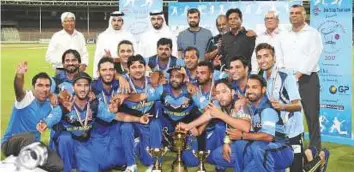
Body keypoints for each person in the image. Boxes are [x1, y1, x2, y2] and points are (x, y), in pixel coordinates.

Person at [39, 72, 149, 172]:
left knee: (97, 167)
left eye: (85, 85)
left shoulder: (94, 104)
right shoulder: (66, 105)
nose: (82, 89)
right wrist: (44, 124)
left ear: (90, 87)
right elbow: (53, 116)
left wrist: (139, 119)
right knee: (65, 138)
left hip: (82, 143)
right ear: (73, 87)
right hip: (64, 142)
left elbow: (115, 116)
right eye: (79, 85)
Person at [1, 61, 63, 171]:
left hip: (33, 146)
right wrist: (20, 75)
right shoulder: (26, 99)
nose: (44, 89)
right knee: (29, 137)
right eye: (40, 85)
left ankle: (17, 165)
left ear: (50, 89)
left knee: (57, 165)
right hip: (11, 143)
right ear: (33, 87)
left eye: (47, 86)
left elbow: (58, 113)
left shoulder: (50, 103)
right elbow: (19, 90)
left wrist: (47, 121)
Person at [281, 4, 323, 150]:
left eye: (297, 13)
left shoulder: (313, 33)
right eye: (291, 13)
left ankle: (315, 148)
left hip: (307, 79)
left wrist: (297, 75)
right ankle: (290, 144)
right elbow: (280, 55)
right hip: (287, 79)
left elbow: (314, 56)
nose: (294, 15)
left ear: (304, 15)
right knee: (288, 114)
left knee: (311, 115)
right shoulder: (285, 34)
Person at [256, 43, 304, 171]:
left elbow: (298, 105)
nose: (263, 60)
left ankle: (318, 157)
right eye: (259, 57)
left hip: (291, 131)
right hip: (274, 131)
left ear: (274, 58)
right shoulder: (259, 78)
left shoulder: (286, 76)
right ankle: (310, 155)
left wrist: (281, 106)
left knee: (296, 169)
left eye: (266, 56)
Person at [93, 11, 137, 78]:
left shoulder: (129, 36)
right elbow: (97, 56)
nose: (116, 23)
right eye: (114, 20)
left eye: (119, 20)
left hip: (126, 69)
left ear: (123, 22)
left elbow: (135, 55)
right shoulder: (103, 36)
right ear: (111, 21)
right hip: (108, 70)